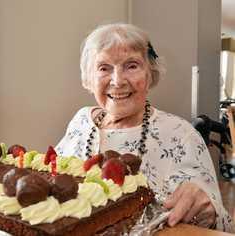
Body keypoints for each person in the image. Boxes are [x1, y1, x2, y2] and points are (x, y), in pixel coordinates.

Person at [55, 23, 234, 232]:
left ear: (150, 75)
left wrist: (208, 209)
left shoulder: (181, 134)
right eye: (104, 68)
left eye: (131, 66)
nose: (118, 81)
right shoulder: (82, 121)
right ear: (89, 79)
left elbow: (222, 224)